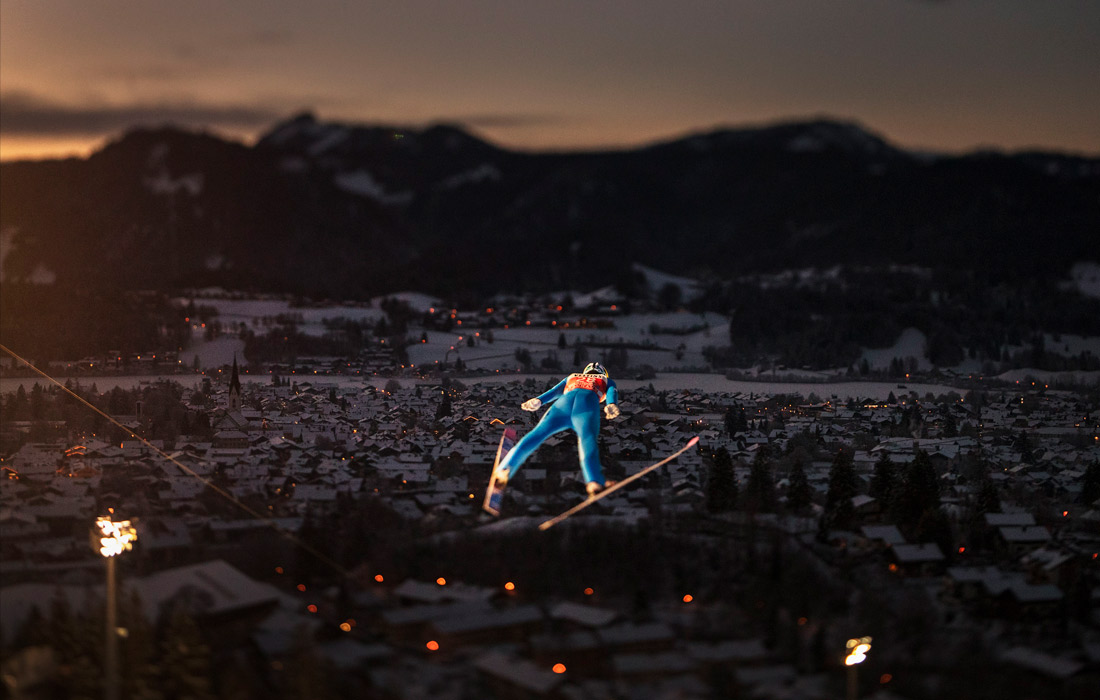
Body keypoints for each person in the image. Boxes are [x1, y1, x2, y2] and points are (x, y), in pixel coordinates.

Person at [494, 361, 621, 496]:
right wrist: (611, 404)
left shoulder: (572, 377)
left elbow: (555, 391)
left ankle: (505, 468)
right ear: (603, 373)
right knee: (587, 440)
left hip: (562, 406)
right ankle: (594, 481)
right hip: (586, 406)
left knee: (537, 434)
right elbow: (612, 392)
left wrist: (539, 400)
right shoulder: (606, 380)